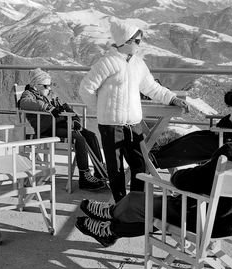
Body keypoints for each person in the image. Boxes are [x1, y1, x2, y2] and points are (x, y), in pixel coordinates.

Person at [75, 81, 232, 247]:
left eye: (231, 115)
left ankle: (110, 225)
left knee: (136, 204)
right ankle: (110, 220)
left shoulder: (231, 153)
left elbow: (187, 182)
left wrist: (178, 177)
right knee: (143, 205)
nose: (230, 120)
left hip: (211, 220)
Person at [79, 19, 189, 203]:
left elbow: (152, 87)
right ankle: (120, 204)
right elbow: (86, 88)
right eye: (137, 41)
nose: (139, 45)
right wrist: (102, 111)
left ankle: (136, 202)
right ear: (125, 41)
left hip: (134, 124)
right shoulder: (108, 62)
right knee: (115, 168)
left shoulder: (138, 64)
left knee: (140, 164)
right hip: (111, 126)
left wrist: (172, 98)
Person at [149, 40, 232, 169]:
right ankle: (155, 157)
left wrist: (221, 127)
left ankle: (153, 160)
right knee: (194, 138)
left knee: (193, 144)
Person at [18, 68, 106, 191]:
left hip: (60, 125)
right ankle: (84, 177)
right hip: (47, 129)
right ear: (36, 85)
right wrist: (47, 107)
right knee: (79, 139)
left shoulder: (50, 95)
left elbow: (65, 106)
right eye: (46, 85)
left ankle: (99, 170)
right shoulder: (29, 94)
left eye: (49, 85)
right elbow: (24, 103)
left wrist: (75, 118)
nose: (49, 88)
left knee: (90, 135)